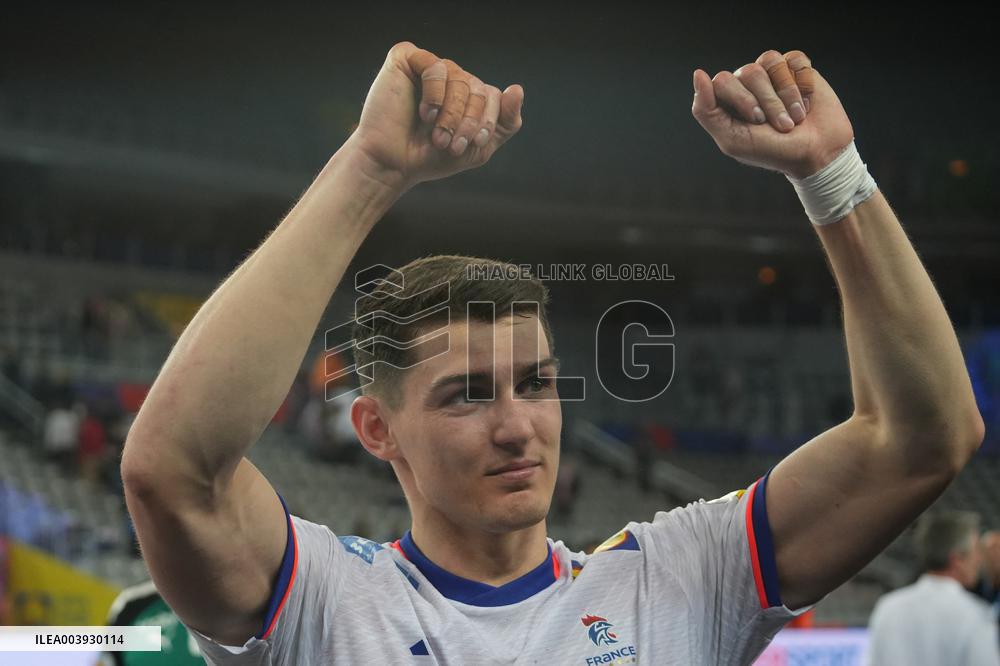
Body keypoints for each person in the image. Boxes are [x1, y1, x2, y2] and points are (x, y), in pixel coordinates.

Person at [121, 42, 985, 664]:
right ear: (377, 430)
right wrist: (371, 169)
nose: (516, 426)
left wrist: (833, 174)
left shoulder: (680, 580)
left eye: (536, 384)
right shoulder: (324, 605)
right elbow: (172, 472)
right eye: (466, 396)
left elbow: (922, 441)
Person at [867, 512, 999, 665]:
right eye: (976, 551)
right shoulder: (974, 614)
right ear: (957, 560)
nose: (979, 560)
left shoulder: (888, 606)